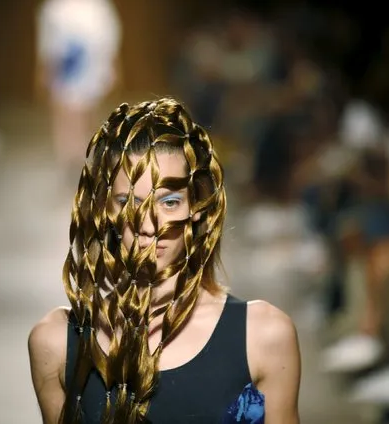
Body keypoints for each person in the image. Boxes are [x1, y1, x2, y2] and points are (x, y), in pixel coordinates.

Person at [28, 98, 301, 423]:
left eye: (169, 202)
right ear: (105, 212)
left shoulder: (264, 336)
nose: (148, 224)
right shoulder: (57, 344)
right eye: (129, 203)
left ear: (197, 208)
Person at [35, 0, 122, 178]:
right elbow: (48, 42)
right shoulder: (54, 7)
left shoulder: (98, 6)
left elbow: (109, 38)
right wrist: (45, 69)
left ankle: (89, 160)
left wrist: (113, 66)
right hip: (64, 67)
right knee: (65, 116)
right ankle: (70, 164)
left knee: (87, 115)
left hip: (91, 66)